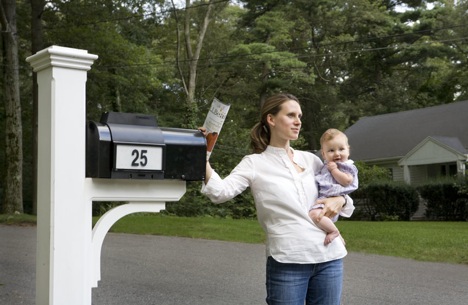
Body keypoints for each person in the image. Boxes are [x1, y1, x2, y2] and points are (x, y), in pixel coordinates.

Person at [200, 93, 354, 305]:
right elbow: (220, 192)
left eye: (299, 115)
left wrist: (342, 201)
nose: (298, 121)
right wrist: (202, 157)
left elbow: (341, 193)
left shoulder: (311, 160)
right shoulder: (254, 163)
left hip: (330, 258)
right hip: (288, 260)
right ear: (271, 119)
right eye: (291, 115)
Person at [309, 128, 358, 246]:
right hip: (325, 199)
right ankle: (331, 232)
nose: (337, 153)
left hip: (332, 198)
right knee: (317, 217)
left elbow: (347, 180)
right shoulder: (325, 166)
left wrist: (335, 170)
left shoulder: (346, 166)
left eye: (341, 149)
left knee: (314, 215)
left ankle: (334, 231)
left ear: (348, 150)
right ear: (324, 154)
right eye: (331, 150)